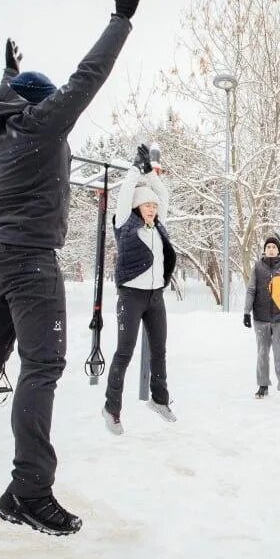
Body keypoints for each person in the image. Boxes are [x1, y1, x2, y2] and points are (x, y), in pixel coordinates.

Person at [0, 0, 146, 537]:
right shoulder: (43, 125)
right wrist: (121, 20)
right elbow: (86, 79)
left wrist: (8, 74)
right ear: (43, 107)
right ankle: (28, 491)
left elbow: (12, 98)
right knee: (42, 366)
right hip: (29, 263)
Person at [102, 144, 177, 435]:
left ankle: (159, 400)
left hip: (155, 296)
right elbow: (124, 194)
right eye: (148, 205)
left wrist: (152, 174)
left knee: (159, 350)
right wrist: (135, 170)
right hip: (131, 296)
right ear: (136, 207)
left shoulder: (159, 226)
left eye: (154, 206)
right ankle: (112, 408)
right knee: (125, 352)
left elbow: (164, 195)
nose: (152, 209)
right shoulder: (126, 224)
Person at [243, 236, 280, 405]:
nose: (271, 249)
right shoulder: (257, 267)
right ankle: (263, 385)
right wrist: (246, 312)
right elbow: (250, 290)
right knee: (262, 353)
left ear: (278, 250)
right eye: (268, 246)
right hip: (261, 318)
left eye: (274, 247)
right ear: (265, 249)